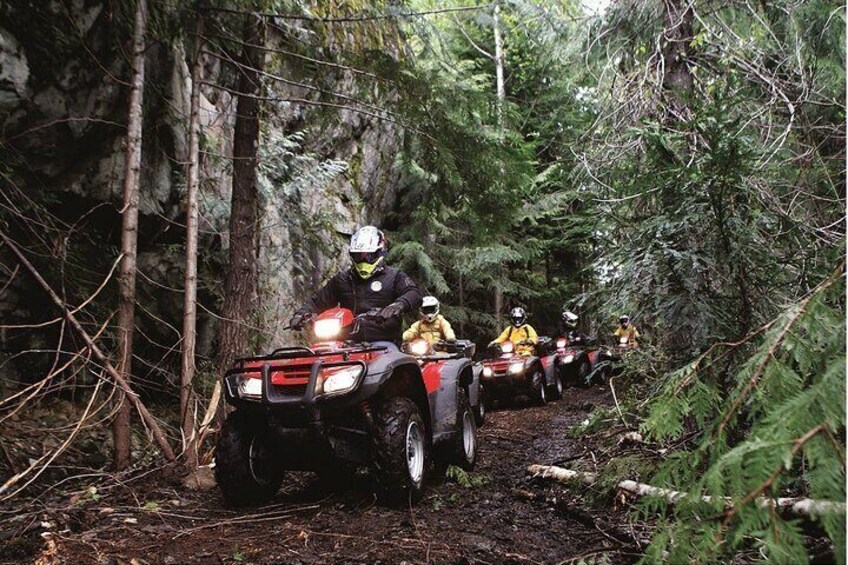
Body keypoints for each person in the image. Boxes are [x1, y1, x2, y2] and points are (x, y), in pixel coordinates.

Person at [289, 226, 422, 350]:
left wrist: (397, 306)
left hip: (383, 343)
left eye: (369, 256)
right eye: (359, 256)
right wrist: (301, 314)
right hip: (345, 343)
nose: (363, 260)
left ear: (380, 253)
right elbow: (317, 301)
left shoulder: (394, 276)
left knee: (387, 369)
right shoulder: (342, 279)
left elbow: (413, 293)